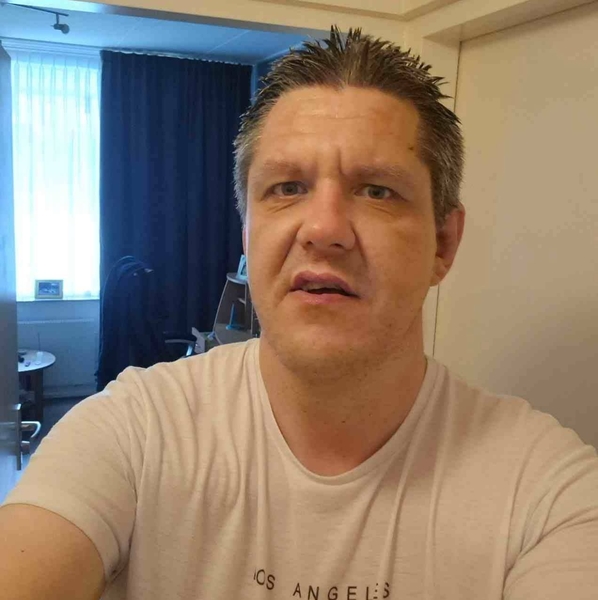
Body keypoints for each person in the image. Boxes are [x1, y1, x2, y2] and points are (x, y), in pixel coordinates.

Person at [1, 27, 597, 600]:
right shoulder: (132, 432)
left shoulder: (548, 496)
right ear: (248, 232)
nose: (324, 228)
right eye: (287, 187)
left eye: (377, 190)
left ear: (443, 243)